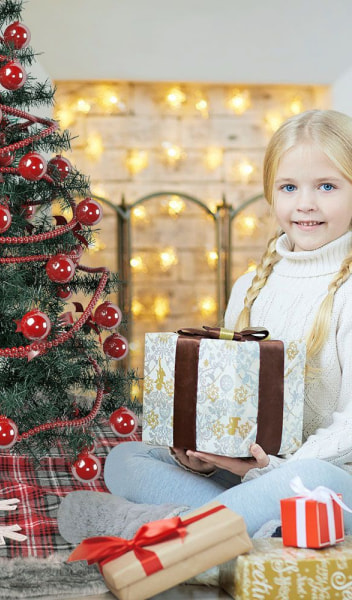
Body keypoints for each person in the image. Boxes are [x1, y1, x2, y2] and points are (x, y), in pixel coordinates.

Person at [58, 109, 352, 543]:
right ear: (271, 194)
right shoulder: (252, 285)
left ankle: (161, 532)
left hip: (323, 477)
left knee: (309, 478)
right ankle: (223, 531)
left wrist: (274, 469)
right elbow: (234, 403)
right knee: (126, 458)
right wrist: (205, 457)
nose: (305, 203)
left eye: (326, 186)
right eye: (289, 187)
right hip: (249, 476)